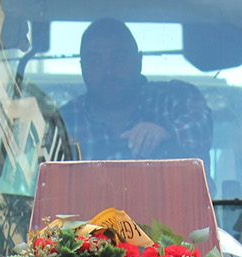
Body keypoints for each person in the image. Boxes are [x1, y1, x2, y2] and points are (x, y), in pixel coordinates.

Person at [59, 19, 212, 163]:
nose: (108, 71)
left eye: (119, 58)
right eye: (95, 61)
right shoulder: (64, 122)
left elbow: (200, 122)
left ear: (138, 61)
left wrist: (167, 132)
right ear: (82, 67)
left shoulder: (172, 99)